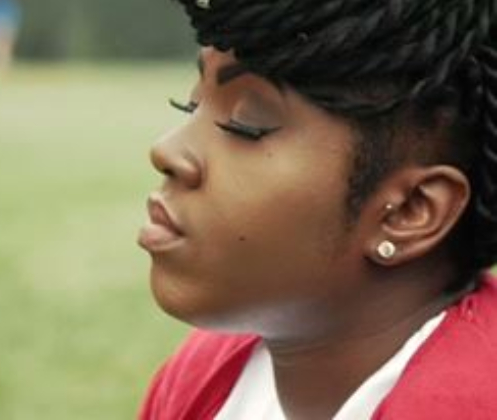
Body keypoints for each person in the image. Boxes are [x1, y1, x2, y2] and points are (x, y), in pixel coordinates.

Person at [137, 1, 497, 419]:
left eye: (247, 123)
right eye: (192, 105)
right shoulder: (205, 373)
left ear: (409, 212)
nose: (167, 151)